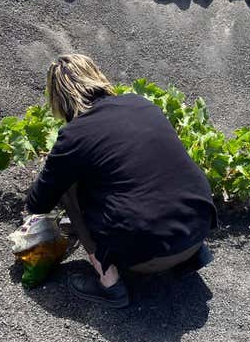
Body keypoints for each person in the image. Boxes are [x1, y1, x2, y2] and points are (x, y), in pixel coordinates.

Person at [25, 54, 217, 308]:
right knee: (155, 168)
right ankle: (191, 256)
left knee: (69, 189)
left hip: (149, 255)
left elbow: (38, 203)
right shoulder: (141, 104)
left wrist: (57, 166)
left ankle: (110, 284)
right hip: (199, 227)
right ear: (96, 77)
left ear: (59, 98)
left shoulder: (74, 135)